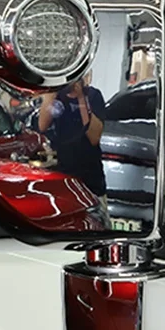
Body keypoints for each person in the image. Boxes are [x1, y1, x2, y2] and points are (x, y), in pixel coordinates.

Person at [38, 73, 109, 223]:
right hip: (64, 178)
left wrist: (81, 98)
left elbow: (94, 137)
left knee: (97, 224)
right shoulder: (57, 97)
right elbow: (42, 126)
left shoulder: (93, 96)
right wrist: (51, 93)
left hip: (90, 179)